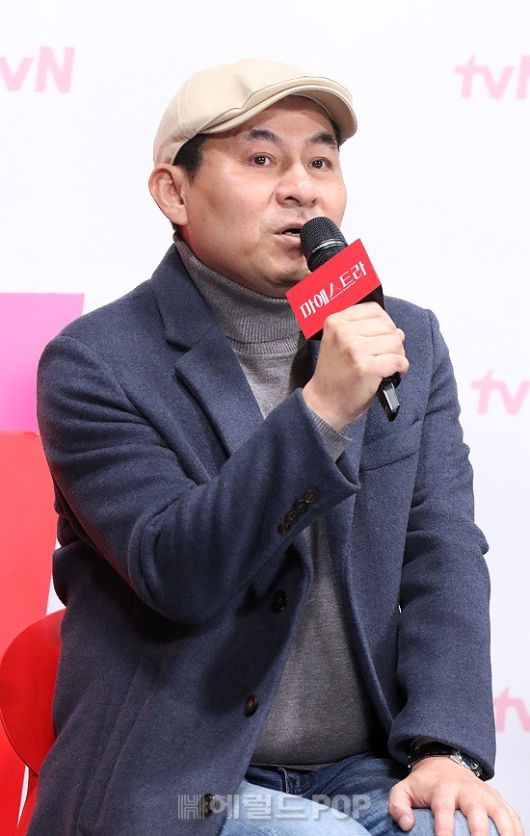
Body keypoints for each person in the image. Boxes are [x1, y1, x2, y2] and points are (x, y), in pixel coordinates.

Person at [32, 59, 522, 836]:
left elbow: (442, 549)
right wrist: (321, 410)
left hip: (364, 766)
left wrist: (441, 750)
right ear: (174, 192)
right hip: (185, 781)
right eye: (261, 159)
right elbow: (177, 570)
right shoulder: (95, 363)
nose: (302, 189)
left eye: (321, 162)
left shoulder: (403, 337)